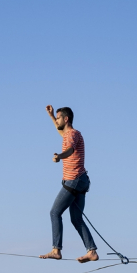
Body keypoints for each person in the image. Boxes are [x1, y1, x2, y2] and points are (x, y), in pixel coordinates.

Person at [39, 105, 98, 263]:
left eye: (58, 118)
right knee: (76, 218)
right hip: (82, 181)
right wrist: (51, 116)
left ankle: (56, 249)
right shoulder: (69, 134)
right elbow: (60, 131)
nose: (56, 120)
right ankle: (91, 251)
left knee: (54, 212)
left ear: (66, 119)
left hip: (74, 180)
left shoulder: (72, 135)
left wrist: (59, 156)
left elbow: (70, 150)